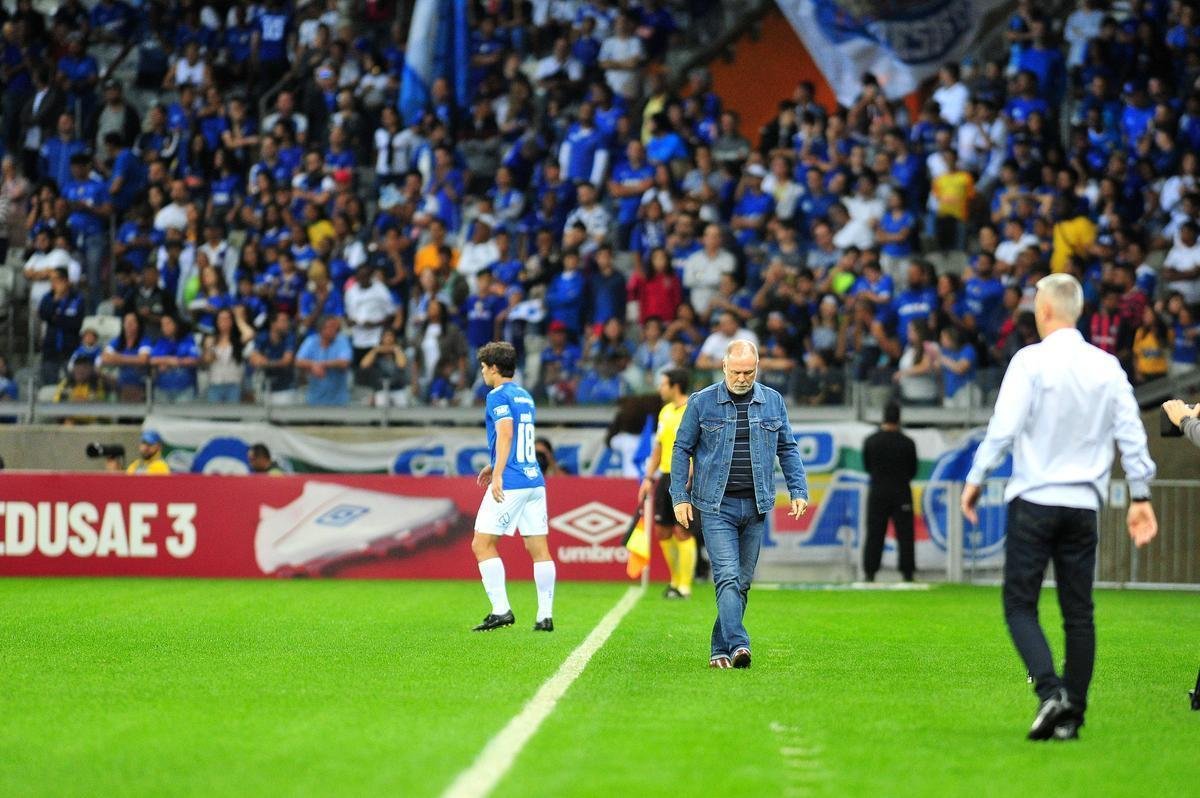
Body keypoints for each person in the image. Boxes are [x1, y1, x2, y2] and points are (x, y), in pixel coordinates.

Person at [961, 274, 1158, 741]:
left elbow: (1004, 428)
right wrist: (1141, 495)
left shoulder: (1029, 361)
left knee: (1019, 604)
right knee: (1079, 612)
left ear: (1043, 311)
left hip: (1034, 499)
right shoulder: (1107, 366)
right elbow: (1131, 434)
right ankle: (1073, 714)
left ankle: (1051, 693)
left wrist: (976, 478)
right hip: (1082, 506)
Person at [671, 340, 809, 669]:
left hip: (757, 505)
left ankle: (720, 649)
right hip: (716, 506)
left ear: (757, 368)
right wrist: (679, 496)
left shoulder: (773, 402)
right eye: (736, 371)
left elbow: (787, 448)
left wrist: (798, 489)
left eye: (749, 372)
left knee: (742, 582)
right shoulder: (701, 402)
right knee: (728, 577)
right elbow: (681, 449)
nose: (742, 378)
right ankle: (740, 644)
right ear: (723, 367)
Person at [470, 341, 556, 633]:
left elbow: (506, 433)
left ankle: (501, 610)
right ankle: (545, 616)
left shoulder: (497, 396)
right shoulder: (524, 395)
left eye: (483, 367)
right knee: (539, 549)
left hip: (513, 482)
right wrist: (494, 464)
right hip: (534, 480)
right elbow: (519, 438)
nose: (482, 372)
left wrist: (498, 474)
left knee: (482, 544)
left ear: (494, 368)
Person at [637, 368, 699, 599]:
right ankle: (674, 581)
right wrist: (647, 478)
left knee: (682, 531)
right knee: (663, 532)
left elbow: (700, 446)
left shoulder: (693, 410)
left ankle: (684, 585)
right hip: (664, 475)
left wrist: (690, 474)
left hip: (686, 476)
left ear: (675, 386)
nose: (660, 388)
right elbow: (658, 448)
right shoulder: (664, 412)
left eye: (663, 384)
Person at [862, 402, 918, 582]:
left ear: (883, 417)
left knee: (875, 533)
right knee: (905, 535)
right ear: (899, 418)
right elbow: (913, 470)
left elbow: (868, 466)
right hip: (901, 492)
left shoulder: (871, 441)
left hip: (877, 491)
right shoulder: (907, 443)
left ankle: (870, 573)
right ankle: (907, 574)